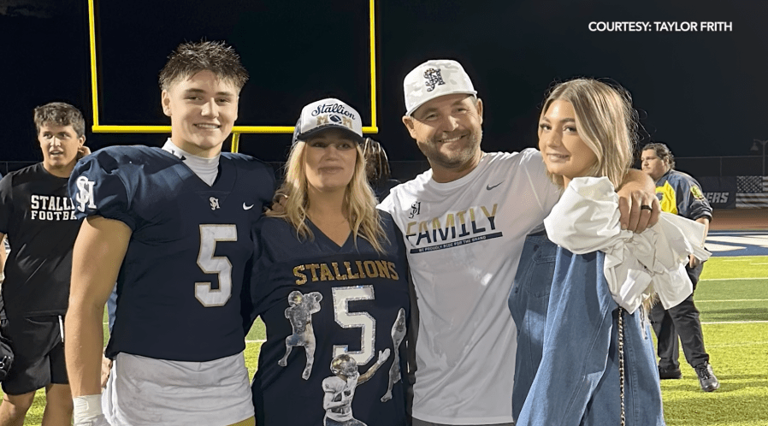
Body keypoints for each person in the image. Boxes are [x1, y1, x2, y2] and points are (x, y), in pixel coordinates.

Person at [378, 60, 660, 426]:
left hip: (524, 405)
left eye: (459, 109)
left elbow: (606, 172)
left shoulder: (526, 173)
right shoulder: (399, 206)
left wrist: (638, 185)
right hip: (434, 408)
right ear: (411, 127)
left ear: (478, 111)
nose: (450, 125)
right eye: (431, 114)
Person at [65, 41, 274, 426]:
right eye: (194, 96)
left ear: (237, 107)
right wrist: (86, 409)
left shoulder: (253, 178)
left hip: (228, 375)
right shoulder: (126, 175)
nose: (210, 111)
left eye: (223, 99)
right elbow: (84, 301)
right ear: (167, 102)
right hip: (147, 381)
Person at [515, 78, 710, 425]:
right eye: (546, 126)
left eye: (571, 128)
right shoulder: (570, 215)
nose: (551, 140)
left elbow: (572, 361)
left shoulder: (591, 227)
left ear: (601, 137)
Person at [247, 98, 412, 426]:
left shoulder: (389, 229)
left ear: (358, 157)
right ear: (300, 155)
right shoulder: (269, 233)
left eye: (344, 144)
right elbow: (222, 335)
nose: (331, 153)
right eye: (318, 144)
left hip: (379, 415)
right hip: (289, 413)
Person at [0, 102, 89, 426]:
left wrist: (90, 164)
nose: (54, 143)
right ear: (38, 139)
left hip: (74, 313)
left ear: (79, 140)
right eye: (47, 135)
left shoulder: (91, 185)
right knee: (17, 402)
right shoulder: (15, 185)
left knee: (64, 401)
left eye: (64, 135)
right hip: (25, 310)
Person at [641, 142, 719, 392]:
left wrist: (697, 246)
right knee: (658, 313)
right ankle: (668, 365)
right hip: (655, 259)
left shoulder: (682, 182)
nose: (644, 164)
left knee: (681, 311)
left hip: (681, 257)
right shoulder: (642, 185)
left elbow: (701, 213)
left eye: (650, 159)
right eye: (642, 159)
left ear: (666, 161)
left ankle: (701, 366)